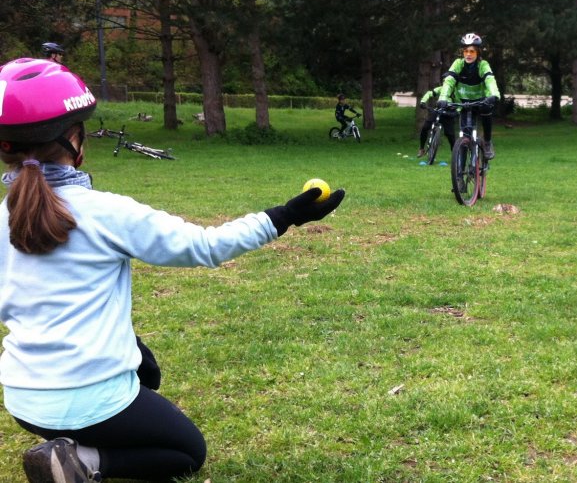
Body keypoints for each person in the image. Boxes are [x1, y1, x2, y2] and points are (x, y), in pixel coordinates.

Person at [0, 58, 345, 483]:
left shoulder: (4, 215)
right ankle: (85, 461)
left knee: (142, 371)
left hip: (25, 402)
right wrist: (285, 215)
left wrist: (127, 344)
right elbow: (205, 246)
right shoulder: (105, 211)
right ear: (75, 138)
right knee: (186, 451)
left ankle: (75, 439)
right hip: (88, 401)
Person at [436, 33, 500, 159]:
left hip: (481, 101)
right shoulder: (458, 64)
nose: (468, 54)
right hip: (464, 102)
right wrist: (443, 98)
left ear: (478, 53)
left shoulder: (483, 65)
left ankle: (487, 142)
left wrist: (494, 95)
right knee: (465, 136)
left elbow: (490, 80)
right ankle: (461, 170)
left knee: (487, 110)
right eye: (465, 51)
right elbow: (449, 81)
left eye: (472, 51)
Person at [417, 84, 456, 158]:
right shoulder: (441, 89)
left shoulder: (457, 91)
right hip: (438, 110)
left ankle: (455, 154)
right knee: (425, 127)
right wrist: (423, 101)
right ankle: (422, 149)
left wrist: (456, 112)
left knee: (450, 135)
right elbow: (429, 93)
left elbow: (460, 103)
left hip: (449, 114)